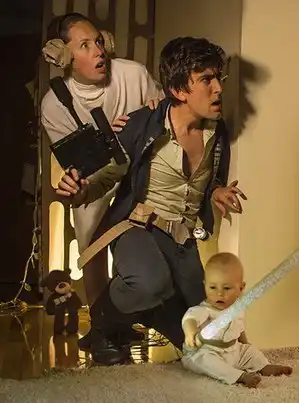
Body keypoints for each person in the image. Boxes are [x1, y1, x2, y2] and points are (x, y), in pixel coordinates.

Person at [54, 36, 245, 366]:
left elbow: (209, 177)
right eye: (206, 80)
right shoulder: (143, 123)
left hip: (181, 238)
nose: (218, 89)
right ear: (179, 90)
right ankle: (103, 328)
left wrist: (216, 190)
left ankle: (145, 312)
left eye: (219, 78)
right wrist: (81, 190)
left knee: (200, 337)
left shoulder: (217, 133)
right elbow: (108, 176)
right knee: (150, 283)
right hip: (137, 226)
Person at [40, 12, 164, 350]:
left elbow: (163, 117)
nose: (98, 51)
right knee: (90, 239)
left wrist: (153, 109)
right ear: (62, 56)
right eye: (84, 45)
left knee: (141, 249)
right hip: (96, 178)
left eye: (98, 41)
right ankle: (101, 327)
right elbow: (79, 167)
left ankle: (125, 319)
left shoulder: (133, 74)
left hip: (140, 174)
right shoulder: (54, 104)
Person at [181, 252, 292, 388]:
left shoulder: (239, 308)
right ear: (205, 285)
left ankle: (264, 366)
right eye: (212, 287)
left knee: (250, 352)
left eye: (227, 288)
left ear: (241, 288)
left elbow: (239, 328)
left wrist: (245, 343)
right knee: (206, 361)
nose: (219, 293)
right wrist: (190, 332)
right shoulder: (206, 309)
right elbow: (190, 318)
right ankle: (240, 376)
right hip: (208, 350)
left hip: (233, 350)